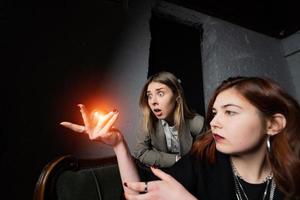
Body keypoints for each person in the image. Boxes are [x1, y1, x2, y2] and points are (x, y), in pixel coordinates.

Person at [60, 76, 300, 200]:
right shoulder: (202, 160)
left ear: (273, 124)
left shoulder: (293, 176)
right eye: (215, 112)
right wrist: (118, 144)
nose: (215, 121)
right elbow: (140, 196)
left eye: (230, 112)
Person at [134, 71, 204, 168]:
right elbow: (140, 152)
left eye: (160, 94)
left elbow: (205, 158)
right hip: (159, 174)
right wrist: (176, 159)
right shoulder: (147, 121)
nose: (153, 101)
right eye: (149, 96)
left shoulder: (197, 123)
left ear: (177, 96)